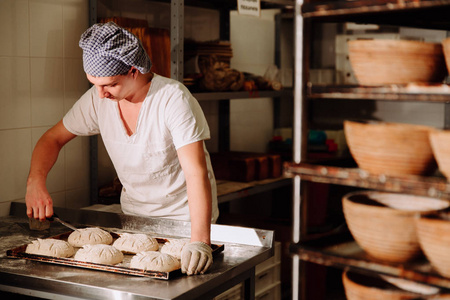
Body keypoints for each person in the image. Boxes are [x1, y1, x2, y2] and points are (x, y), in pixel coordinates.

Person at [25, 22, 219, 275]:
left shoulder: (172, 99)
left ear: (134, 70)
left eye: (109, 85)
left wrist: (200, 241)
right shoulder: (99, 98)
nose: (101, 94)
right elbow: (52, 139)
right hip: (135, 223)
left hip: (185, 221)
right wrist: (35, 180)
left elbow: (196, 173)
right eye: (94, 84)